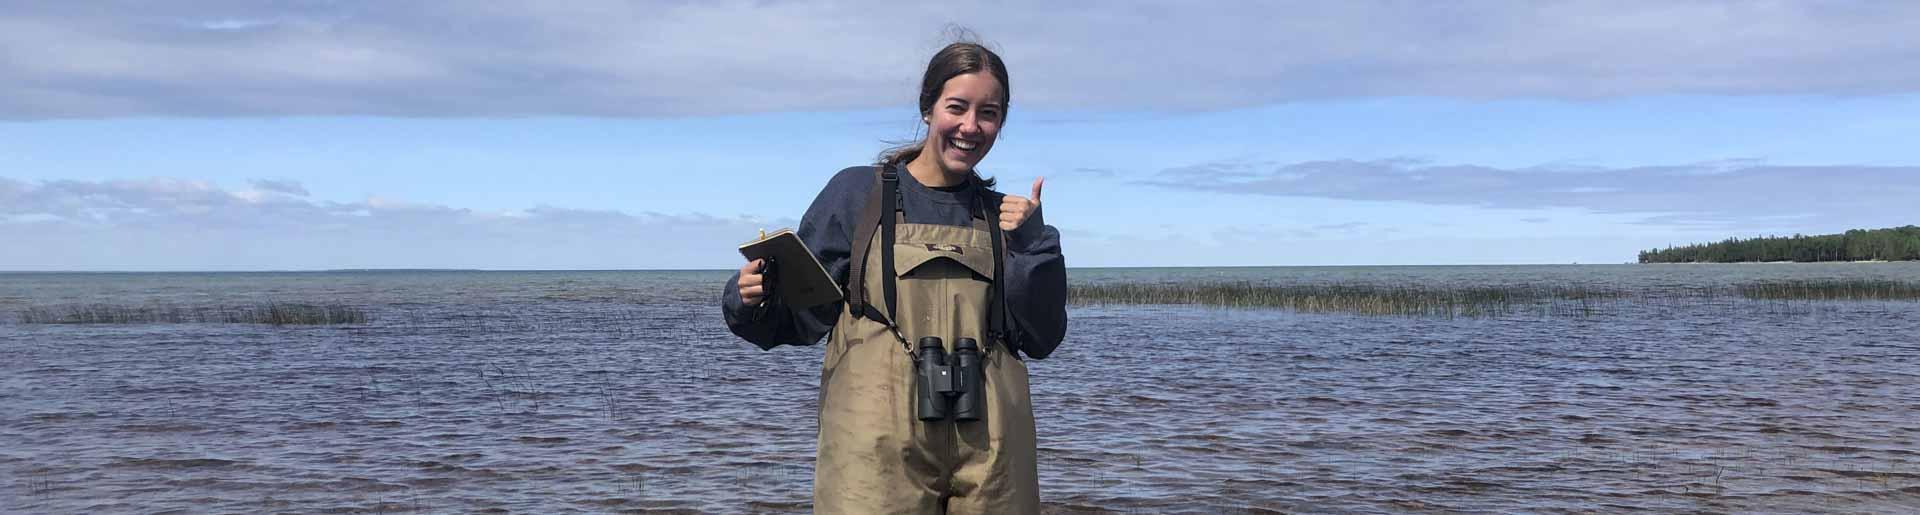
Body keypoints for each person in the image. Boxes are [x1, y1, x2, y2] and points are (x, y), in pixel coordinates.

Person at [720, 39, 1067, 513]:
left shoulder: (1006, 218)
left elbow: (1042, 336)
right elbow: (801, 319)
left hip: (992, 451)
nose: (971, 126)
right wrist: (749, 298)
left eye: (988, 113)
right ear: (928, 109)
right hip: (874, 449)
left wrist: (1035, 245)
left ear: (1001, 123)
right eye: (957, 107)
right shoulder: (856, 195)